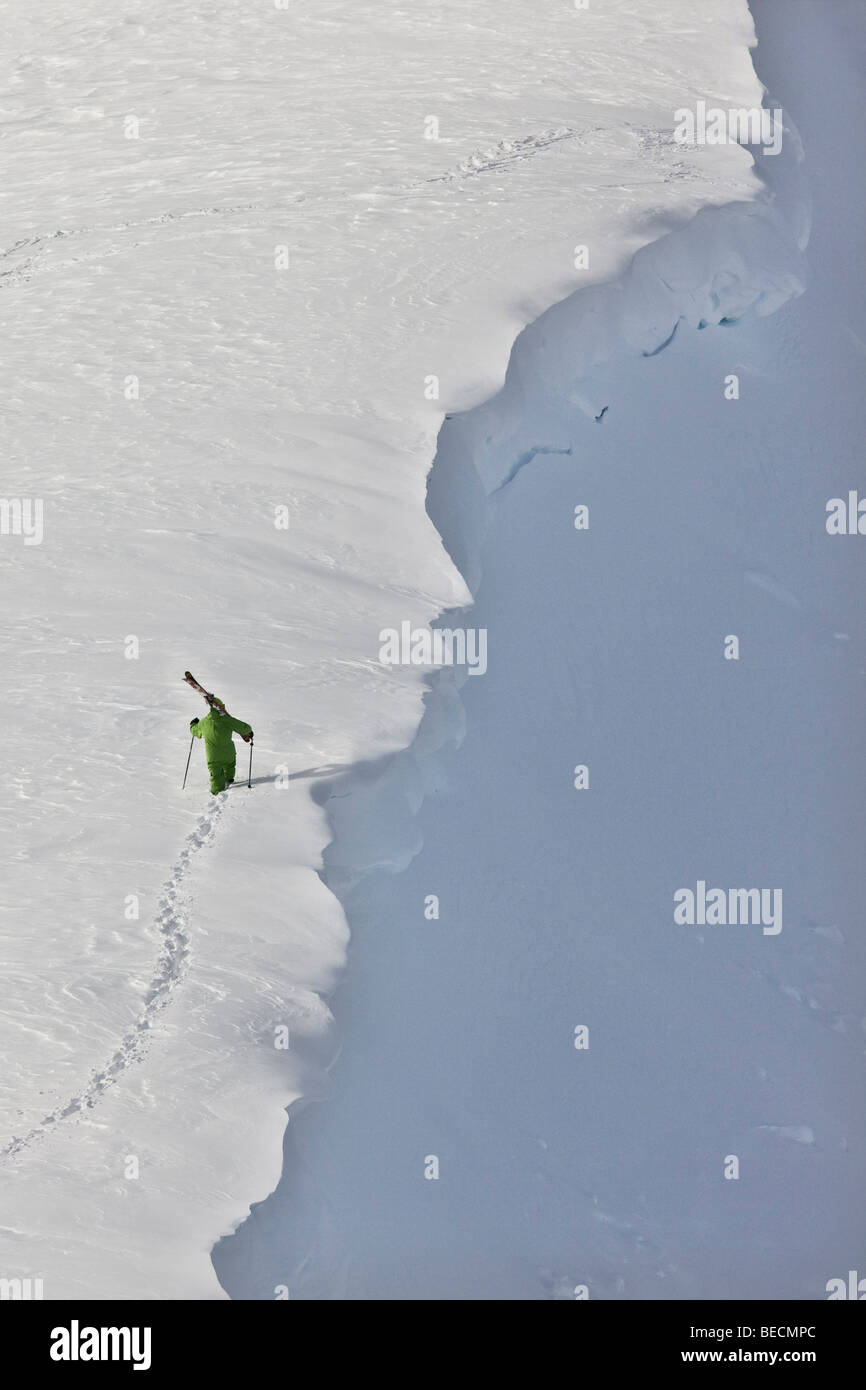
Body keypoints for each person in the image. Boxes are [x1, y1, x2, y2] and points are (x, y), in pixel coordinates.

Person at [190, 702, 253, 794]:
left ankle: (217, 792)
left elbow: (195, 731)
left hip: (213, 756)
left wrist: (193, 724)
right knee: (230, 766)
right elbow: (244, 728)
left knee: (216, 775)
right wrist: (249, 732)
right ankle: (229, 780)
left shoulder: (204, 722)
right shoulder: (228, 720)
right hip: (228, 753)